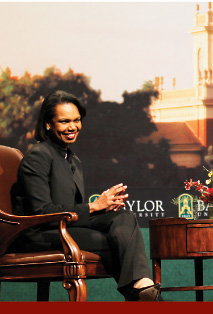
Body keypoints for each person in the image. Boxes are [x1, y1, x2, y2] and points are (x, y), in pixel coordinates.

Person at [10, 90, 161, 301]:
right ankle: (141, 292)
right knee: (115, 243)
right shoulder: (38, 156)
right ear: (48, 124)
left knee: (124, 219)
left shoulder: (73, 160)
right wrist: (94, 206)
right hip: (37, 234)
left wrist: (104, 208)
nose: (72, 127)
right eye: (64, 121)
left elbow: (73, 210)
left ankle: (141, 288)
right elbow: (41, 212)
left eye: (77, 120)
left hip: (64, 227)